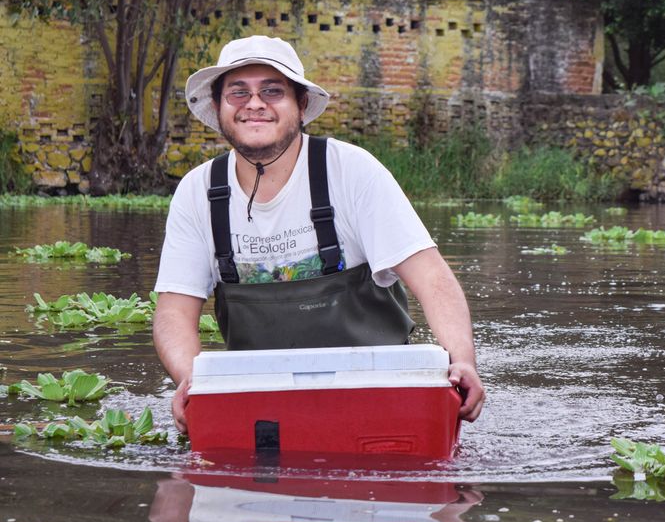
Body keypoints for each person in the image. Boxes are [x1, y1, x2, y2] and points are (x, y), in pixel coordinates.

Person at [153, 35, 484, 432]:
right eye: (238, 93)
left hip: (378, 396)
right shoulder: (198, 191)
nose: (254, 103)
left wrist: (462, 360)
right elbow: (173, 312)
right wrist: (192, 380)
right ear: (219, 107)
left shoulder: (351, 170)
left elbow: (432, 278)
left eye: (272, 91)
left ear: (302, 105)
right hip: (261, 402)